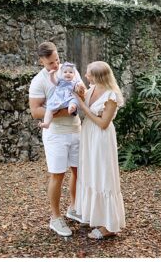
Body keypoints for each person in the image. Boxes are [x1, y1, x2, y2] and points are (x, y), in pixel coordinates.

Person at [28, 41, 83, 237]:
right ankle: (55, 217)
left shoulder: (69, 71)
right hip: (55, 135)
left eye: (57, 59)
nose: (56, 65)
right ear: (41, 60)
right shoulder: (39, 81)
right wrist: (61, 111)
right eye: (51, 62)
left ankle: (74, 207)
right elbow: (35, 112)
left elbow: (80, 93)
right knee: (58, 175)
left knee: (78, 171)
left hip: (76, 130)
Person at [72, 60, 126, 239]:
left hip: (101, 138)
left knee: (103, 176)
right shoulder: (92, 89)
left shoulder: (111, 96)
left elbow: (103, 123)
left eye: (89, 74)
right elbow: (81, 98)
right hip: (88, 135)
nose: (86, 76)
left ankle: (109, 226)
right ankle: (97, 216)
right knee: (92, 174)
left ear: (98, 77)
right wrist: (80, 95)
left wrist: (82, 105)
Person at [40, 61, 82, 129]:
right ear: (61, 74)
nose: (68, 74)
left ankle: (71, 108)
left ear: (74, 74)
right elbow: (53, 81)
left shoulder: (74, 82)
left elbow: (78, 88)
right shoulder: (60, 81)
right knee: (49, 109)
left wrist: (79, 88)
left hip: (69, 98)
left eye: (71, 72)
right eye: (65, 72)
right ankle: (46, 123)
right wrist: (51, 75)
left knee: (74, 100)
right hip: (58, 99)